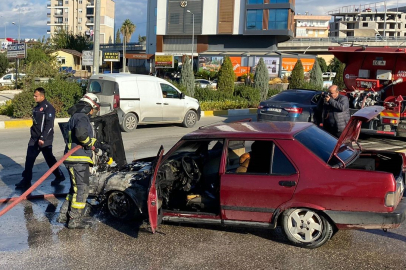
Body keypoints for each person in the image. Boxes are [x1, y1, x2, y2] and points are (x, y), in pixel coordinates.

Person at [57, 93, 110, 229]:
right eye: (94, 108)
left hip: (73, 159)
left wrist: (98, 146)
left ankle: (63, 215)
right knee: (82, 190)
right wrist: (90, 146)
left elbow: (82, 138)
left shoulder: (75, 117)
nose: (93, 112)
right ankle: (74, 221)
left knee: (74, 190)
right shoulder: (82, 117)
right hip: (78, 160)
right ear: (89, 106)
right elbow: (81, 136)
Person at [16, 87, 65, 189]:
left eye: (36, 96)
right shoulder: (36, 108)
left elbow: (49, 125)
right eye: (34, 95)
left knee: (49, 159)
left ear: (42, 96)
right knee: (29, 159)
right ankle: (26, 181)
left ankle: (59, 176)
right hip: (34, 138)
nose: (34, 97)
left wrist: (42, 138)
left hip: (44, 139)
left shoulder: (48, 108)